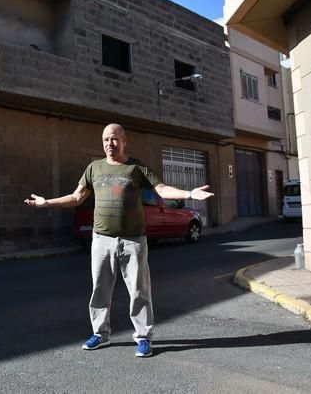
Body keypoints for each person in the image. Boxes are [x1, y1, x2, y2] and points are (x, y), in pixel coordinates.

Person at [24, 123, 213, 357]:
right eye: (105, 139)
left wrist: (189, 194)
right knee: (100, 289)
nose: (109, 144)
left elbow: (162, 190)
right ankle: (100, 333)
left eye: (114, 139)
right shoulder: (94, 168)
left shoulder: (136, 167)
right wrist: (47, 203)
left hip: (133, 240)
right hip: (101, 240)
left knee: (139, 290)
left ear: (124, 140)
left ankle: (143, 337)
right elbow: (76, 197)